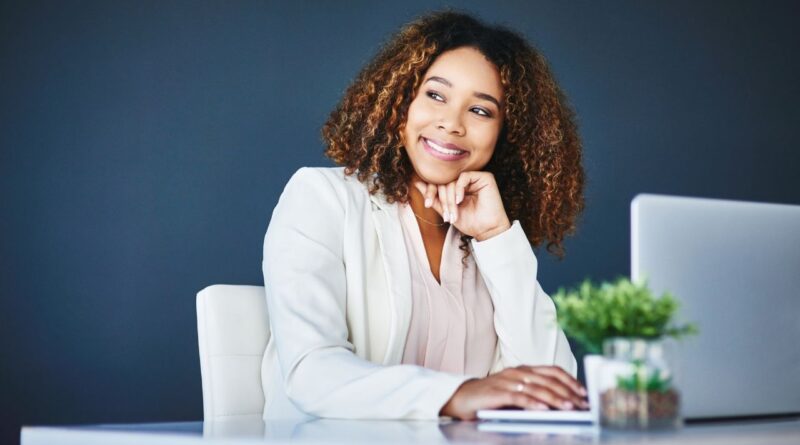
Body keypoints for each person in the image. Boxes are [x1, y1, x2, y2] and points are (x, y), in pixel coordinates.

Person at [261, 10, 586, 421]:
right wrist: (458, 395)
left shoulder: (483, 241)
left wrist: (496, 236)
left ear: (506, 136)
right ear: (399, 103)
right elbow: (312, 372)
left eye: (481, 111)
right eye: (435, 95)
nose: (451, 123)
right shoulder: (322, 198)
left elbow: (551, 387)